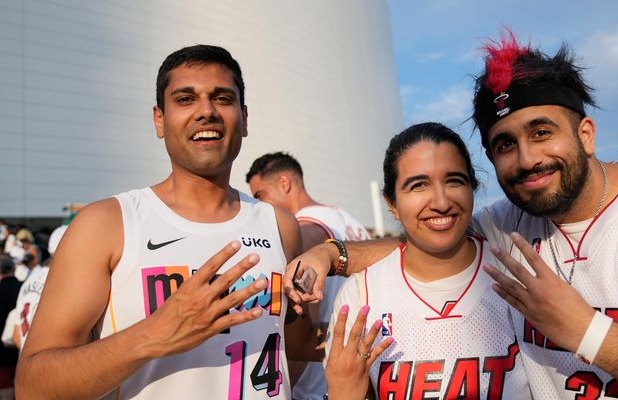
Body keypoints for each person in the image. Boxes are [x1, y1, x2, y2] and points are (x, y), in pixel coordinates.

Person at [284, 31, 618, 400]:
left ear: (585, 133)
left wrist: (587, 333)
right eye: (505, 144)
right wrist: (332, 253)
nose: (527, 159)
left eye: (542, 132)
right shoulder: (508, 225)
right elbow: (425, 244)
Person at [16, 45, 320, 400]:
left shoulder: (279, 223)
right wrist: (152, 335)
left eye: (222, 98)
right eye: (186, 99)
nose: (206, 111)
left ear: (245, 117)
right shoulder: (107, 223)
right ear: (159, 119)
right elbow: (33, 386)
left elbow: (297, 343)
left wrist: (348, 262)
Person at [324, 122, 530, 400]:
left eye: (454, 181)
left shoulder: (517, 275)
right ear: (392, 203)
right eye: (418, 185)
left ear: (473, 187)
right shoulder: (362, 295)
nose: (441, 202)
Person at [247, 152, 371, 400]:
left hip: (315, 387)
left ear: (284, 183)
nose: (259, 205)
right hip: (357, 380)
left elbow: (302, 324)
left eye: (260, 196)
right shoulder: (349, 221)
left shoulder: (304, 229)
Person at [0, 255, 21, 400]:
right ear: (13, 269)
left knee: (6, 392)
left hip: (1, 353)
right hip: (22, 348)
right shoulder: (23, 287)